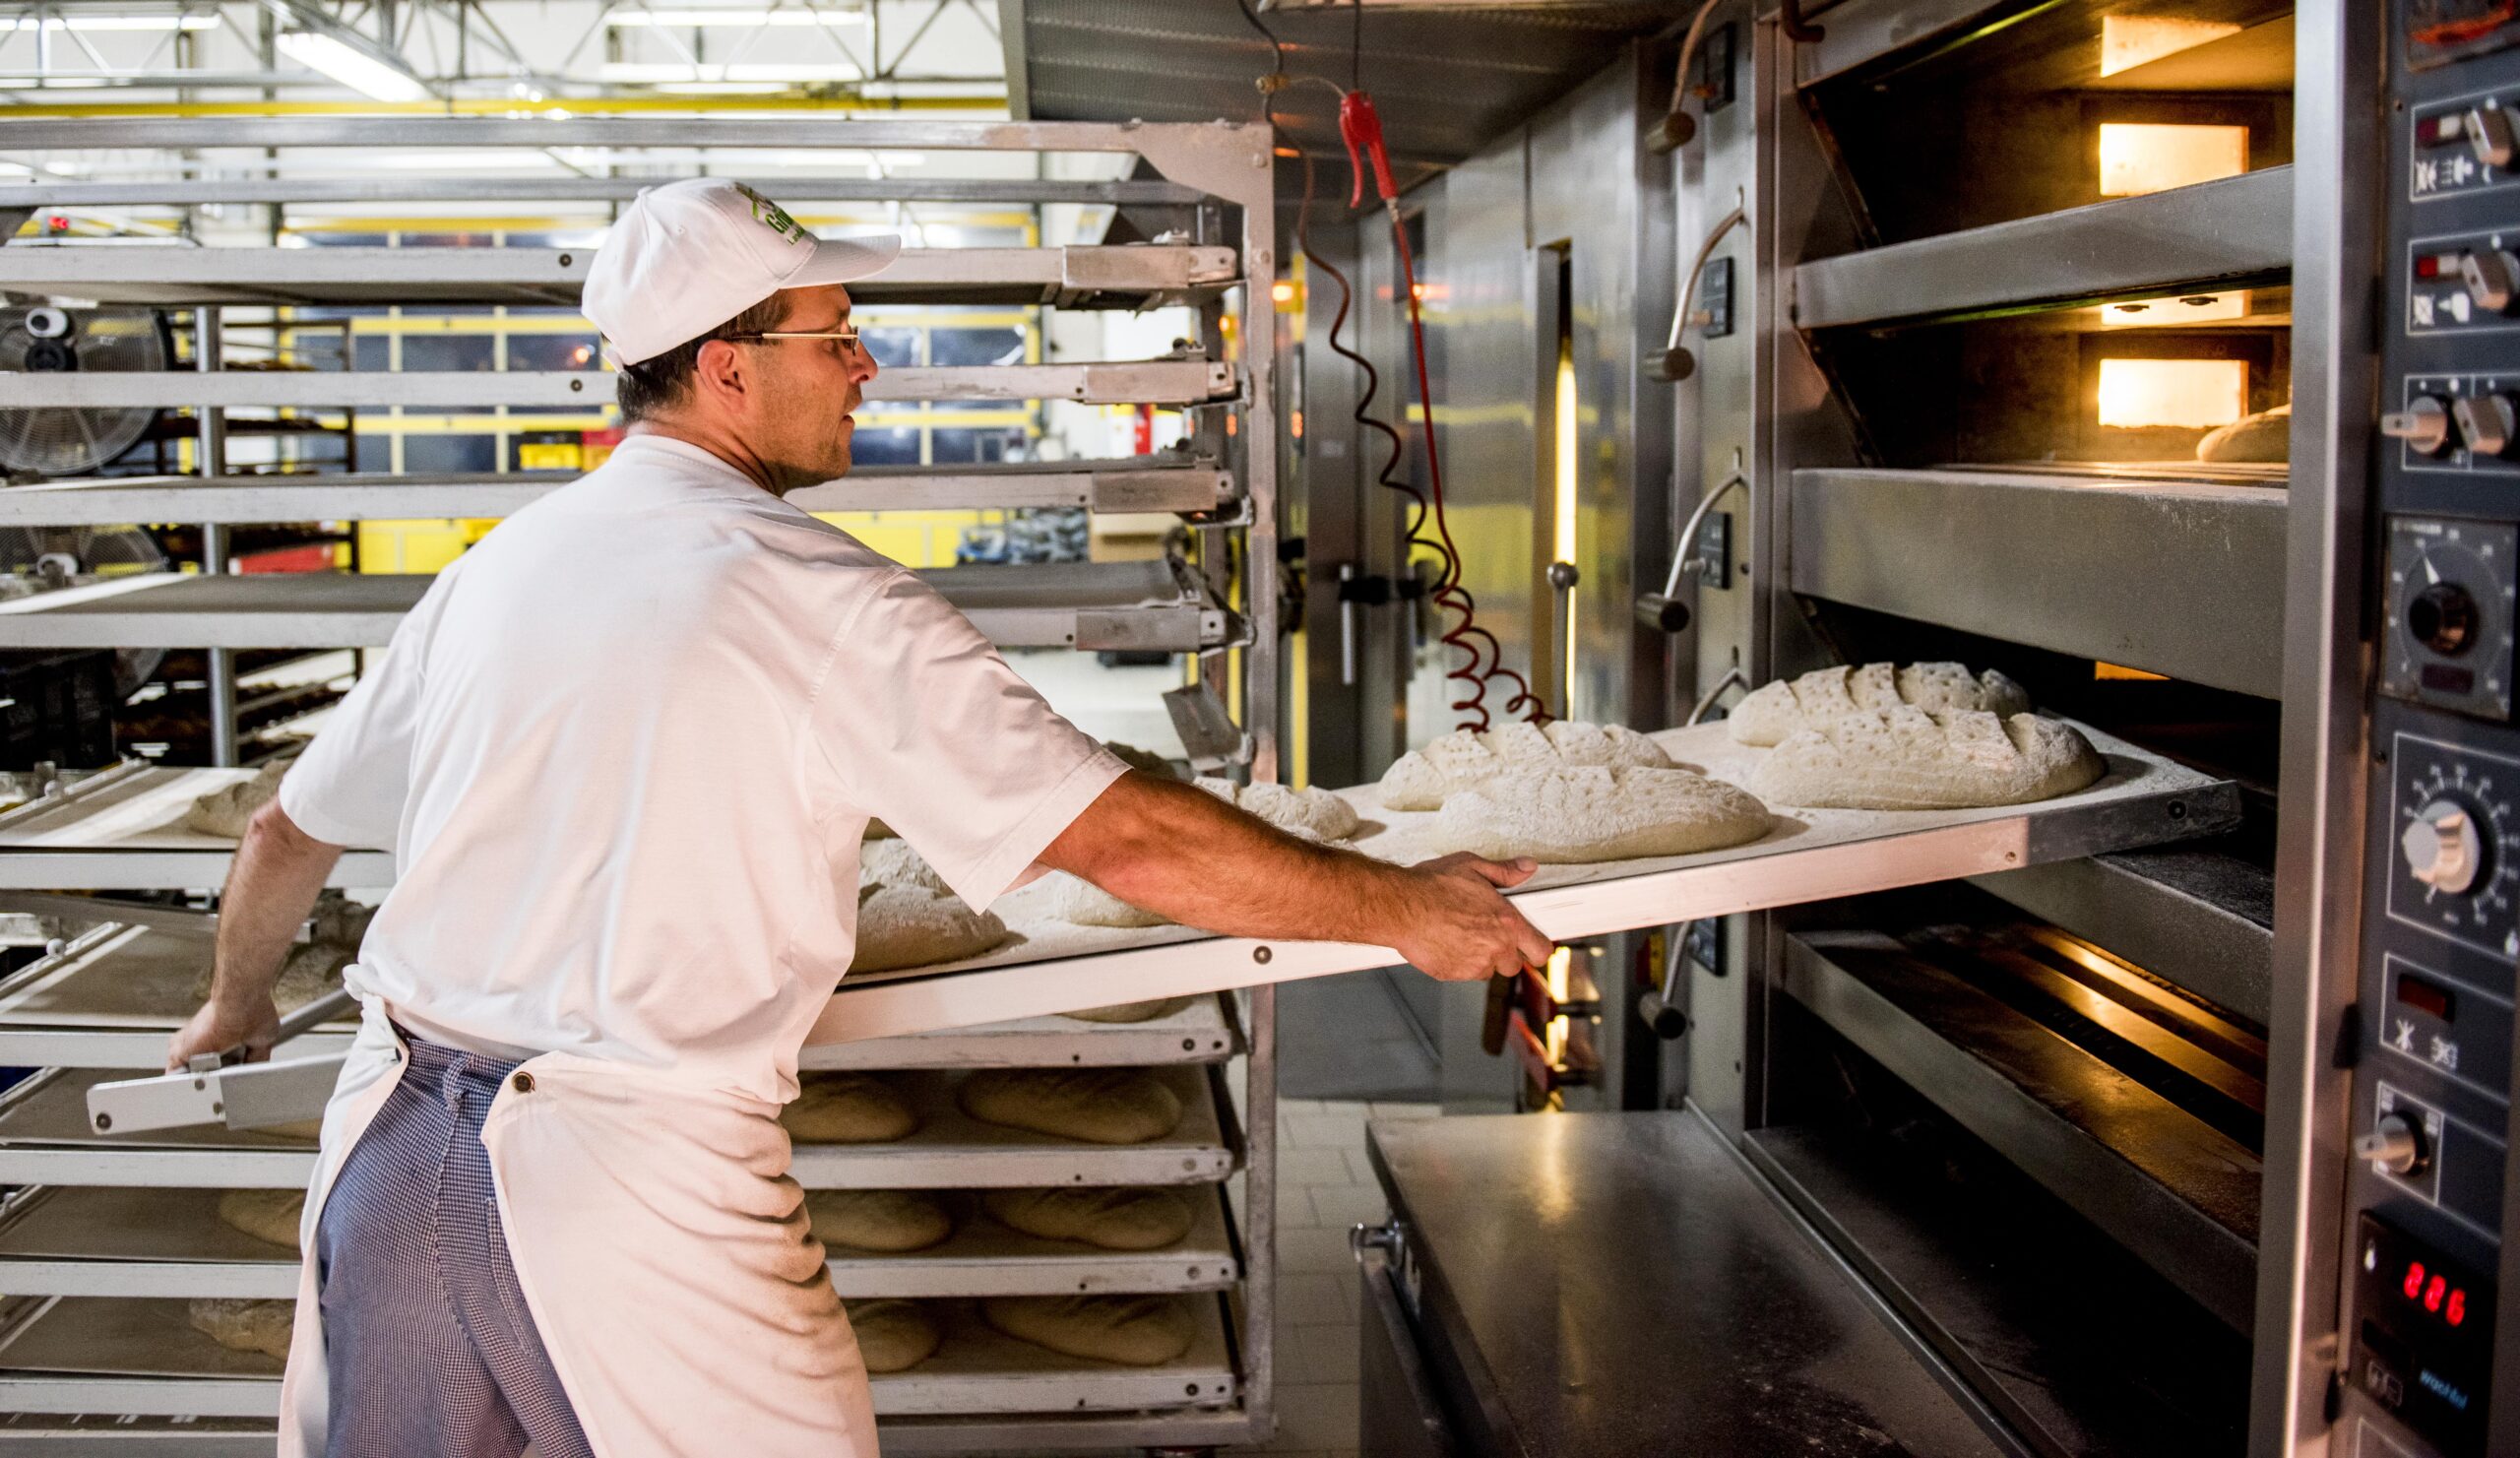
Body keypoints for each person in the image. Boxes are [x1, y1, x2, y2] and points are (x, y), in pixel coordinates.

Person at [167, 177, 1552, 1458]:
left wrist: (234, 1004)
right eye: (833, 335)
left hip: (390, 1158)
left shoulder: (498, 570)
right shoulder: (820, 594)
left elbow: (286, 834)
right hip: (626, 1195)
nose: (865, 364)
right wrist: (1405, 908)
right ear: (728, 367)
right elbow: (1119, 835)